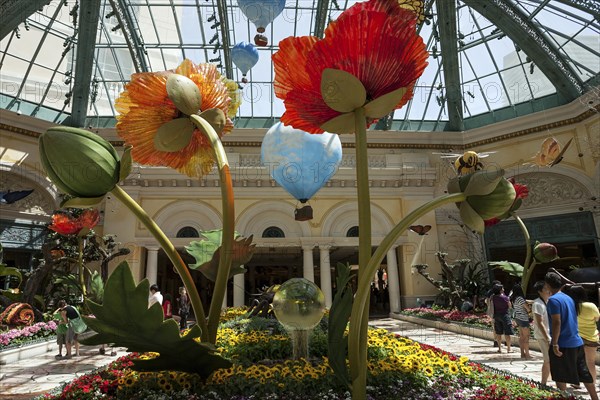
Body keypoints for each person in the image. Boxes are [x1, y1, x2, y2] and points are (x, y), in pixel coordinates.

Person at [544, 272, 597, 399]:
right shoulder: (568, 298)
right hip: (577, 342)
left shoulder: (553, 300)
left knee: (559, 375)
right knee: (584, 372)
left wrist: (555, 343)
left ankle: (564, 397)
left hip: (563, 343)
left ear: (547, 285)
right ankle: (595, 397)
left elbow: (557, 321)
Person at [565, 285, 600, 387]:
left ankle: (576, 383)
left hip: (576, 338)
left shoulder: (570, 306)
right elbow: (597, 318)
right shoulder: (591, 306)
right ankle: (592, 384)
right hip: (591, 338)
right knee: (590, 363)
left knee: (576, 362)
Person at [532, 280, 552, 385]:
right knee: (547, 360)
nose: (548, 290)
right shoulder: (537, 304)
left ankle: (548, 379)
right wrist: (547, 337)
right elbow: (540, 323)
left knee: (550, 360)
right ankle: (543, 383)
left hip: (549, 334)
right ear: (540, 291)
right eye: (545, 289)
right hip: (543, 336)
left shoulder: (549, 301)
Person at [510, 283, 532, 359]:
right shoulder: (520, 298)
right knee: (526, 337)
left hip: (518, 318)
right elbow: (527, 309)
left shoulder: (514, 299)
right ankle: (528, 355)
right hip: (523, 318)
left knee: (521, 337)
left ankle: (522, 354)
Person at [491, 283, 513, 354]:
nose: (503, 289)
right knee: (507, 333)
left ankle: (500, 348)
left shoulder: (493, 297)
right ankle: (509, 349)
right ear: (500, 290)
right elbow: (509, 306)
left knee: (498, 333)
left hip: (496, 315)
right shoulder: (504, 297)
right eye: (502, 288)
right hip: (505, 315)